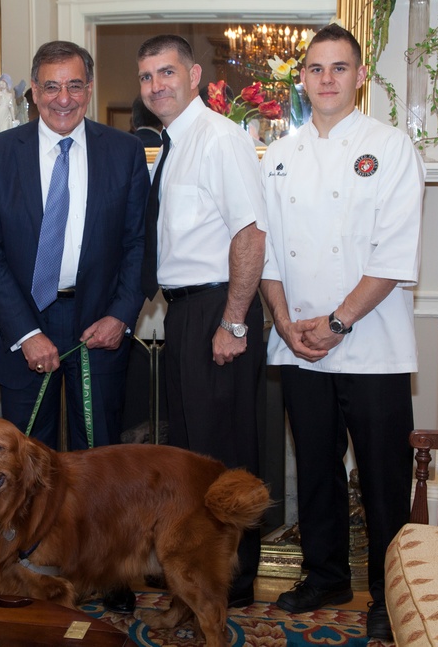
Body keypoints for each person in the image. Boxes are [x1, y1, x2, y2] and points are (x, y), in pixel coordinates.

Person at [258, 24, 424, 642]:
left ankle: (388, 591)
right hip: (298, 341)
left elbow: (392, 254)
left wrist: (336, 323)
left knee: (383, 478)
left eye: (338, 68)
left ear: (359, 77)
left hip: (370, 344)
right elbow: (269, 253)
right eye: (315, 68)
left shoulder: (391, 147)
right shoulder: (278, 154)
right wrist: (284, 322)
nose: (326, 79)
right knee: (318, 467)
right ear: (301, 78)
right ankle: (324, 574)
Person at [0, 42, 148, 597]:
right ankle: (26, 568)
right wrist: (26, 332)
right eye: (50, 86)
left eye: (74, 85)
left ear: (88, 89)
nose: (63, 98)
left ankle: (108, 570)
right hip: (24, 327)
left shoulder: (123, 152)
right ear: (33, 91)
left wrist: (121, 314)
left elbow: (139, 244)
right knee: (22, 465)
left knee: (101, 461)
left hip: (99, 328)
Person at [136, 34, 266, 609]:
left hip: (219, 307)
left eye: (166, 73)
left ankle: (234, 584)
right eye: (146, 77)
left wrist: (234, 322)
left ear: (193, 77)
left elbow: (250, 233)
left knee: (223, 455)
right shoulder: (172, 145)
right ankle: (197, 571)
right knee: (191, 454)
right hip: (185, 311)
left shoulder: (221, 138)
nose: (156, 85)